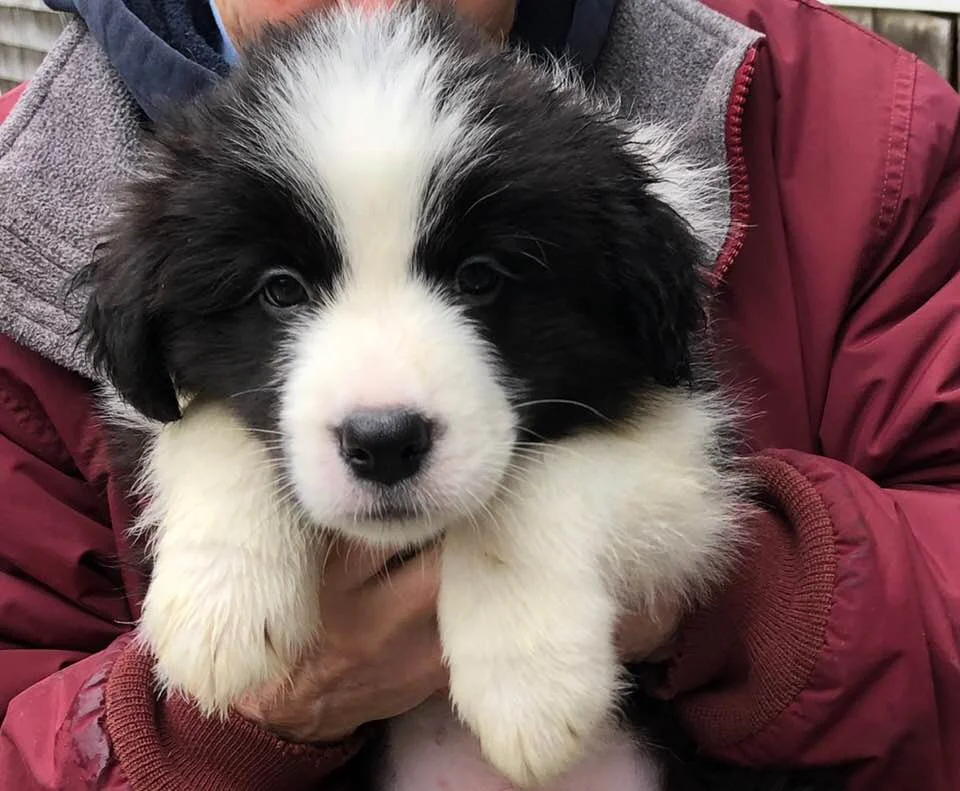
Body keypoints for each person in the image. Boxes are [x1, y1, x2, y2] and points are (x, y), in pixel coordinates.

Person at [0, 0, 957, 788]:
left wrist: (720, 601)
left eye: (479, 278)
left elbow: (662, 416)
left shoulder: (869, 130)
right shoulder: (63, 196)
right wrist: (207, 731)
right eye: (284, 291)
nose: (384, 392)